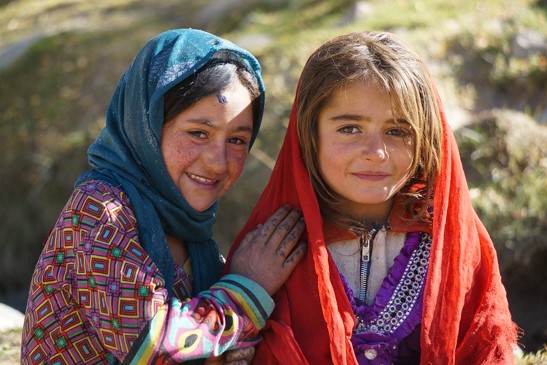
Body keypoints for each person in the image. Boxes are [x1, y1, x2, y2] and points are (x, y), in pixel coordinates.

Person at [226, 31, 518, 364]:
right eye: (349, 128)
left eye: (398, 131)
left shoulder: (450, 241)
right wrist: (245, 288)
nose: (376, 153)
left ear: (425, 137)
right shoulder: (269, 250)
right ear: (309, 133)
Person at [20, 29, 307, 365]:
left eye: (237, 140)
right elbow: (153, 348)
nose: (218, 161)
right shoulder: (100, 210)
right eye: (198, 133)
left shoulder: (191, 230)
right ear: (147, 128)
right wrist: (247, 286)